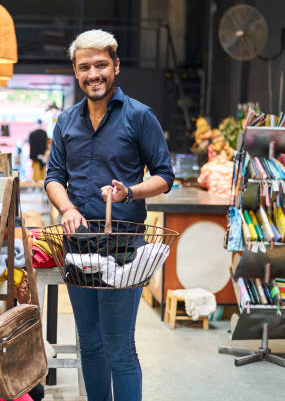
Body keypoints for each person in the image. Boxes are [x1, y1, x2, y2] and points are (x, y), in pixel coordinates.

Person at [44, 30, 174, 401]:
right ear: (75, 71)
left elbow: (164, 177)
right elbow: (53, 177)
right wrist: (67, 207)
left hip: (123, 247)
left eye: (101, 64)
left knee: (119, 347)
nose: (93, 73)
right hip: (78, 246)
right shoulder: (66, 121)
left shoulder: (139, 116)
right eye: (85, 66)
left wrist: (129, 191)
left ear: (115, 67)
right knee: (90, 344)